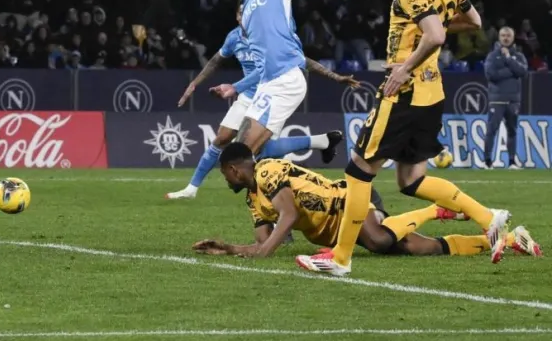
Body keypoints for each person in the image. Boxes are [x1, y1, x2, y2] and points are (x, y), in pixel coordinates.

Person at [297, 0, 510, 277]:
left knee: (358, 170)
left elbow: (435, 35)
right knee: (410, 180)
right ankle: (489, 218)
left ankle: (340, 258)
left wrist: (404, 67)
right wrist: (431, 32)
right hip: (432, 92)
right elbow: (473, 21)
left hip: (404, 92)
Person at [192, 143, 541, 259]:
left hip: (351, 200)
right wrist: (230, 248)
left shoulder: (267, 170)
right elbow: (265, 242)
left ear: (234, 169)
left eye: (224, 175)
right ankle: (508, 239)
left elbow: (288, 215)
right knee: (419, 249)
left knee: (378, 240)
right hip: (339, 229)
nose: (226, 181)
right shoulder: (253, 200)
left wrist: (263, 254)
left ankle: (435, 209)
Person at [167, 1, 355, 200]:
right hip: (248, 96)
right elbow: (215, 61)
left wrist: (334, 76)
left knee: (255, 151)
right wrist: (194, 83)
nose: (244, 18)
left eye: (247, 13)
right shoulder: (234, 38)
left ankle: (317, 151)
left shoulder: (269, 36)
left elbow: (299, 61)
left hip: (272, 95)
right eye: (240, 14)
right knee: (222, 138)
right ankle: (191, 189)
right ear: (237, 17)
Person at [211, 0, 388, 155]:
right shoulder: (246, 10)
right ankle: (322, 143)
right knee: (253, 155)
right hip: (267, 85)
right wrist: (237, 87)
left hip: (284, 80)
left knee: (239, 156)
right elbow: (264, 63)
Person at [483, 26, 528, 169]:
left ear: (513, 38)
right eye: (503, 35)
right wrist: (511, 71)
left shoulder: (519, 56)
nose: (506, 38)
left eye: (508, 36)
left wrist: (508, 59)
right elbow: (491, 75)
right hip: (497, 99)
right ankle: (487, 162)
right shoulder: (492, 56)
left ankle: (512, 162)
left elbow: (523, 72)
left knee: (512, 131)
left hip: (513, 100)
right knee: (492, 130)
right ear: (499, 37)